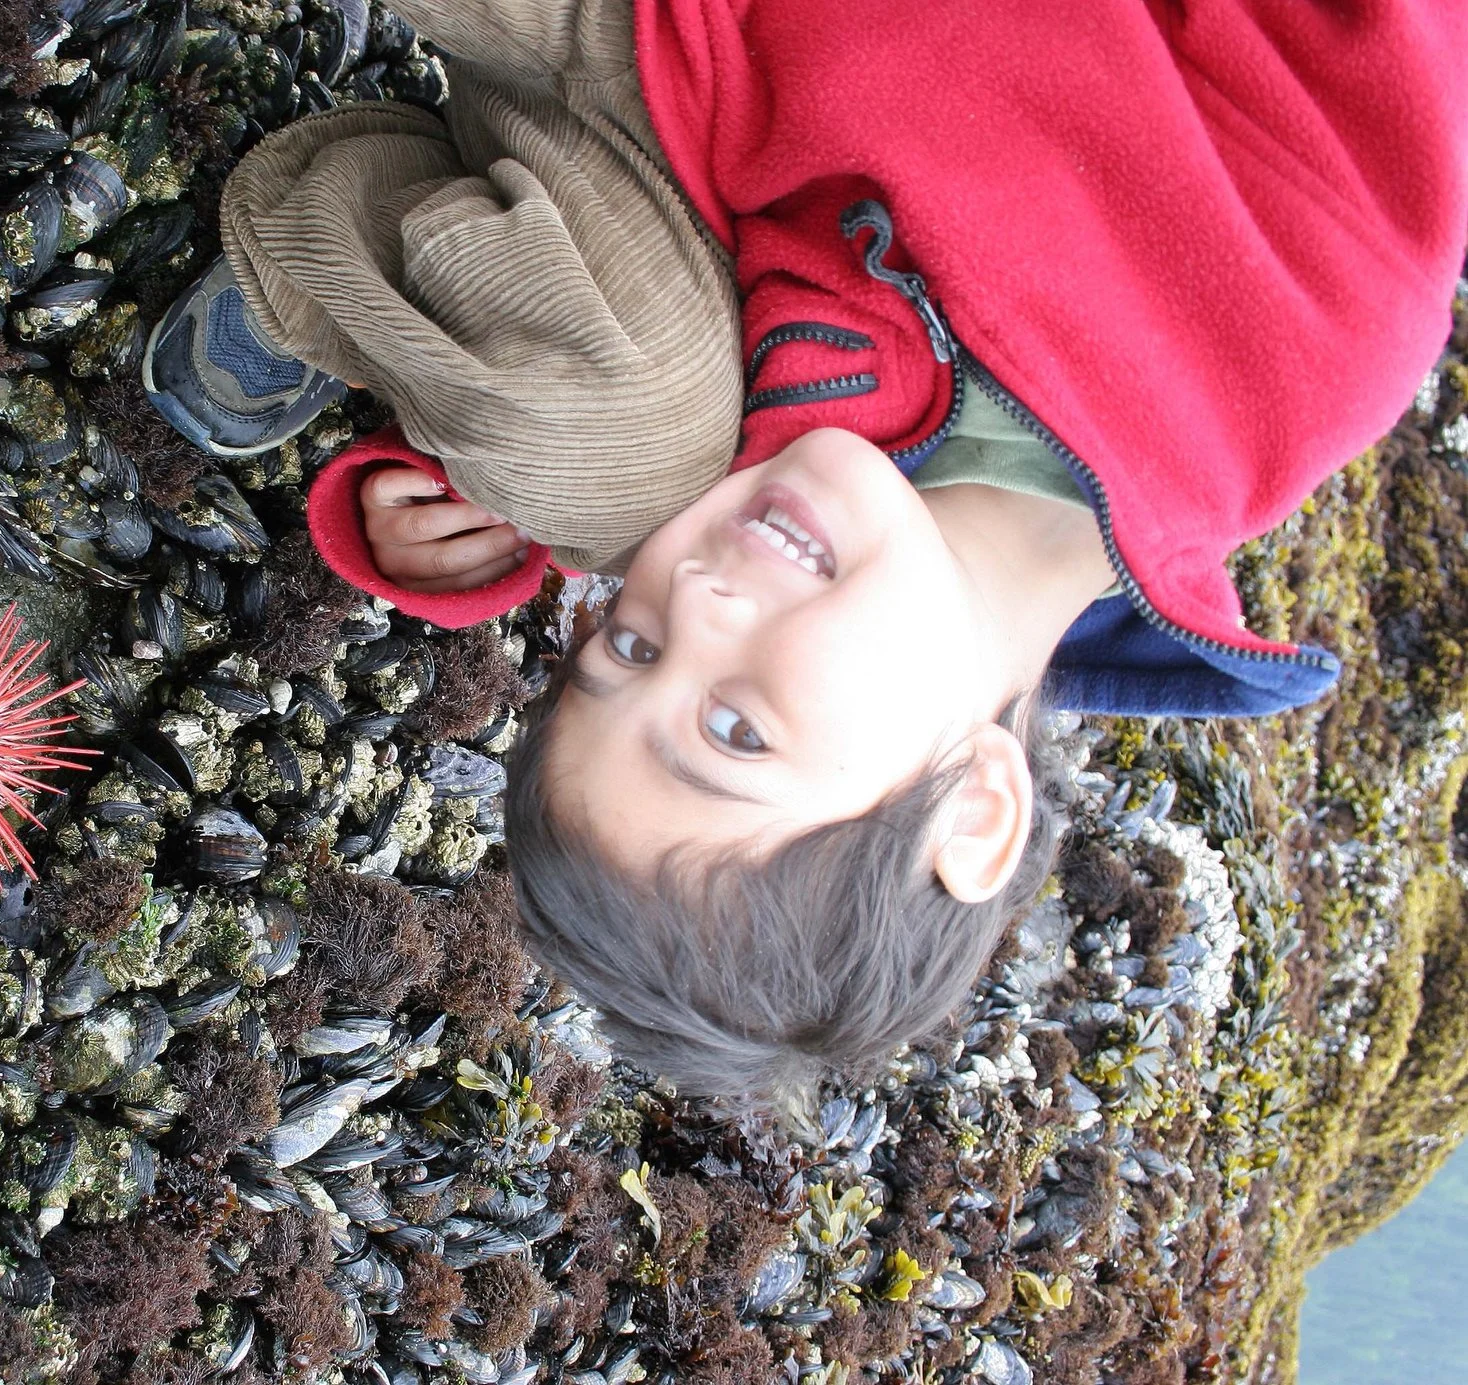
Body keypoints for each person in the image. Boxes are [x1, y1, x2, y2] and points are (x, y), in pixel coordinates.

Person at [144, 0, 1468, 1109]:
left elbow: (615, 479)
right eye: (735, 731)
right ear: (976, 809)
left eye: (629, 648)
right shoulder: (1306, 336)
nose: (695, 595)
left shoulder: (776, 529)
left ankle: (318, 253)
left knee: (604, 459)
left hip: (649, 64)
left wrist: (461, 511)